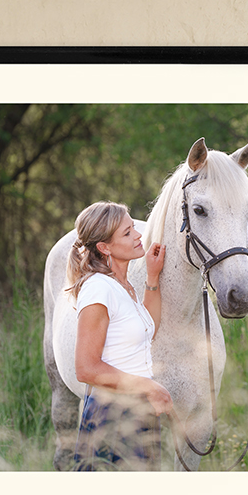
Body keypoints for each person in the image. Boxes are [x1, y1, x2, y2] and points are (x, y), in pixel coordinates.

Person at [65, 201, 170, 470]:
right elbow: (86, 368)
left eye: (133, 227)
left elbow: (149, 329)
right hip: (111, 415)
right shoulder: (99, 289)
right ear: (104, 247)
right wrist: (149, 386)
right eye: (127, 232)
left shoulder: (122, 287)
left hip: (137, 410)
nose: (138, 235)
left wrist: (153, 276)